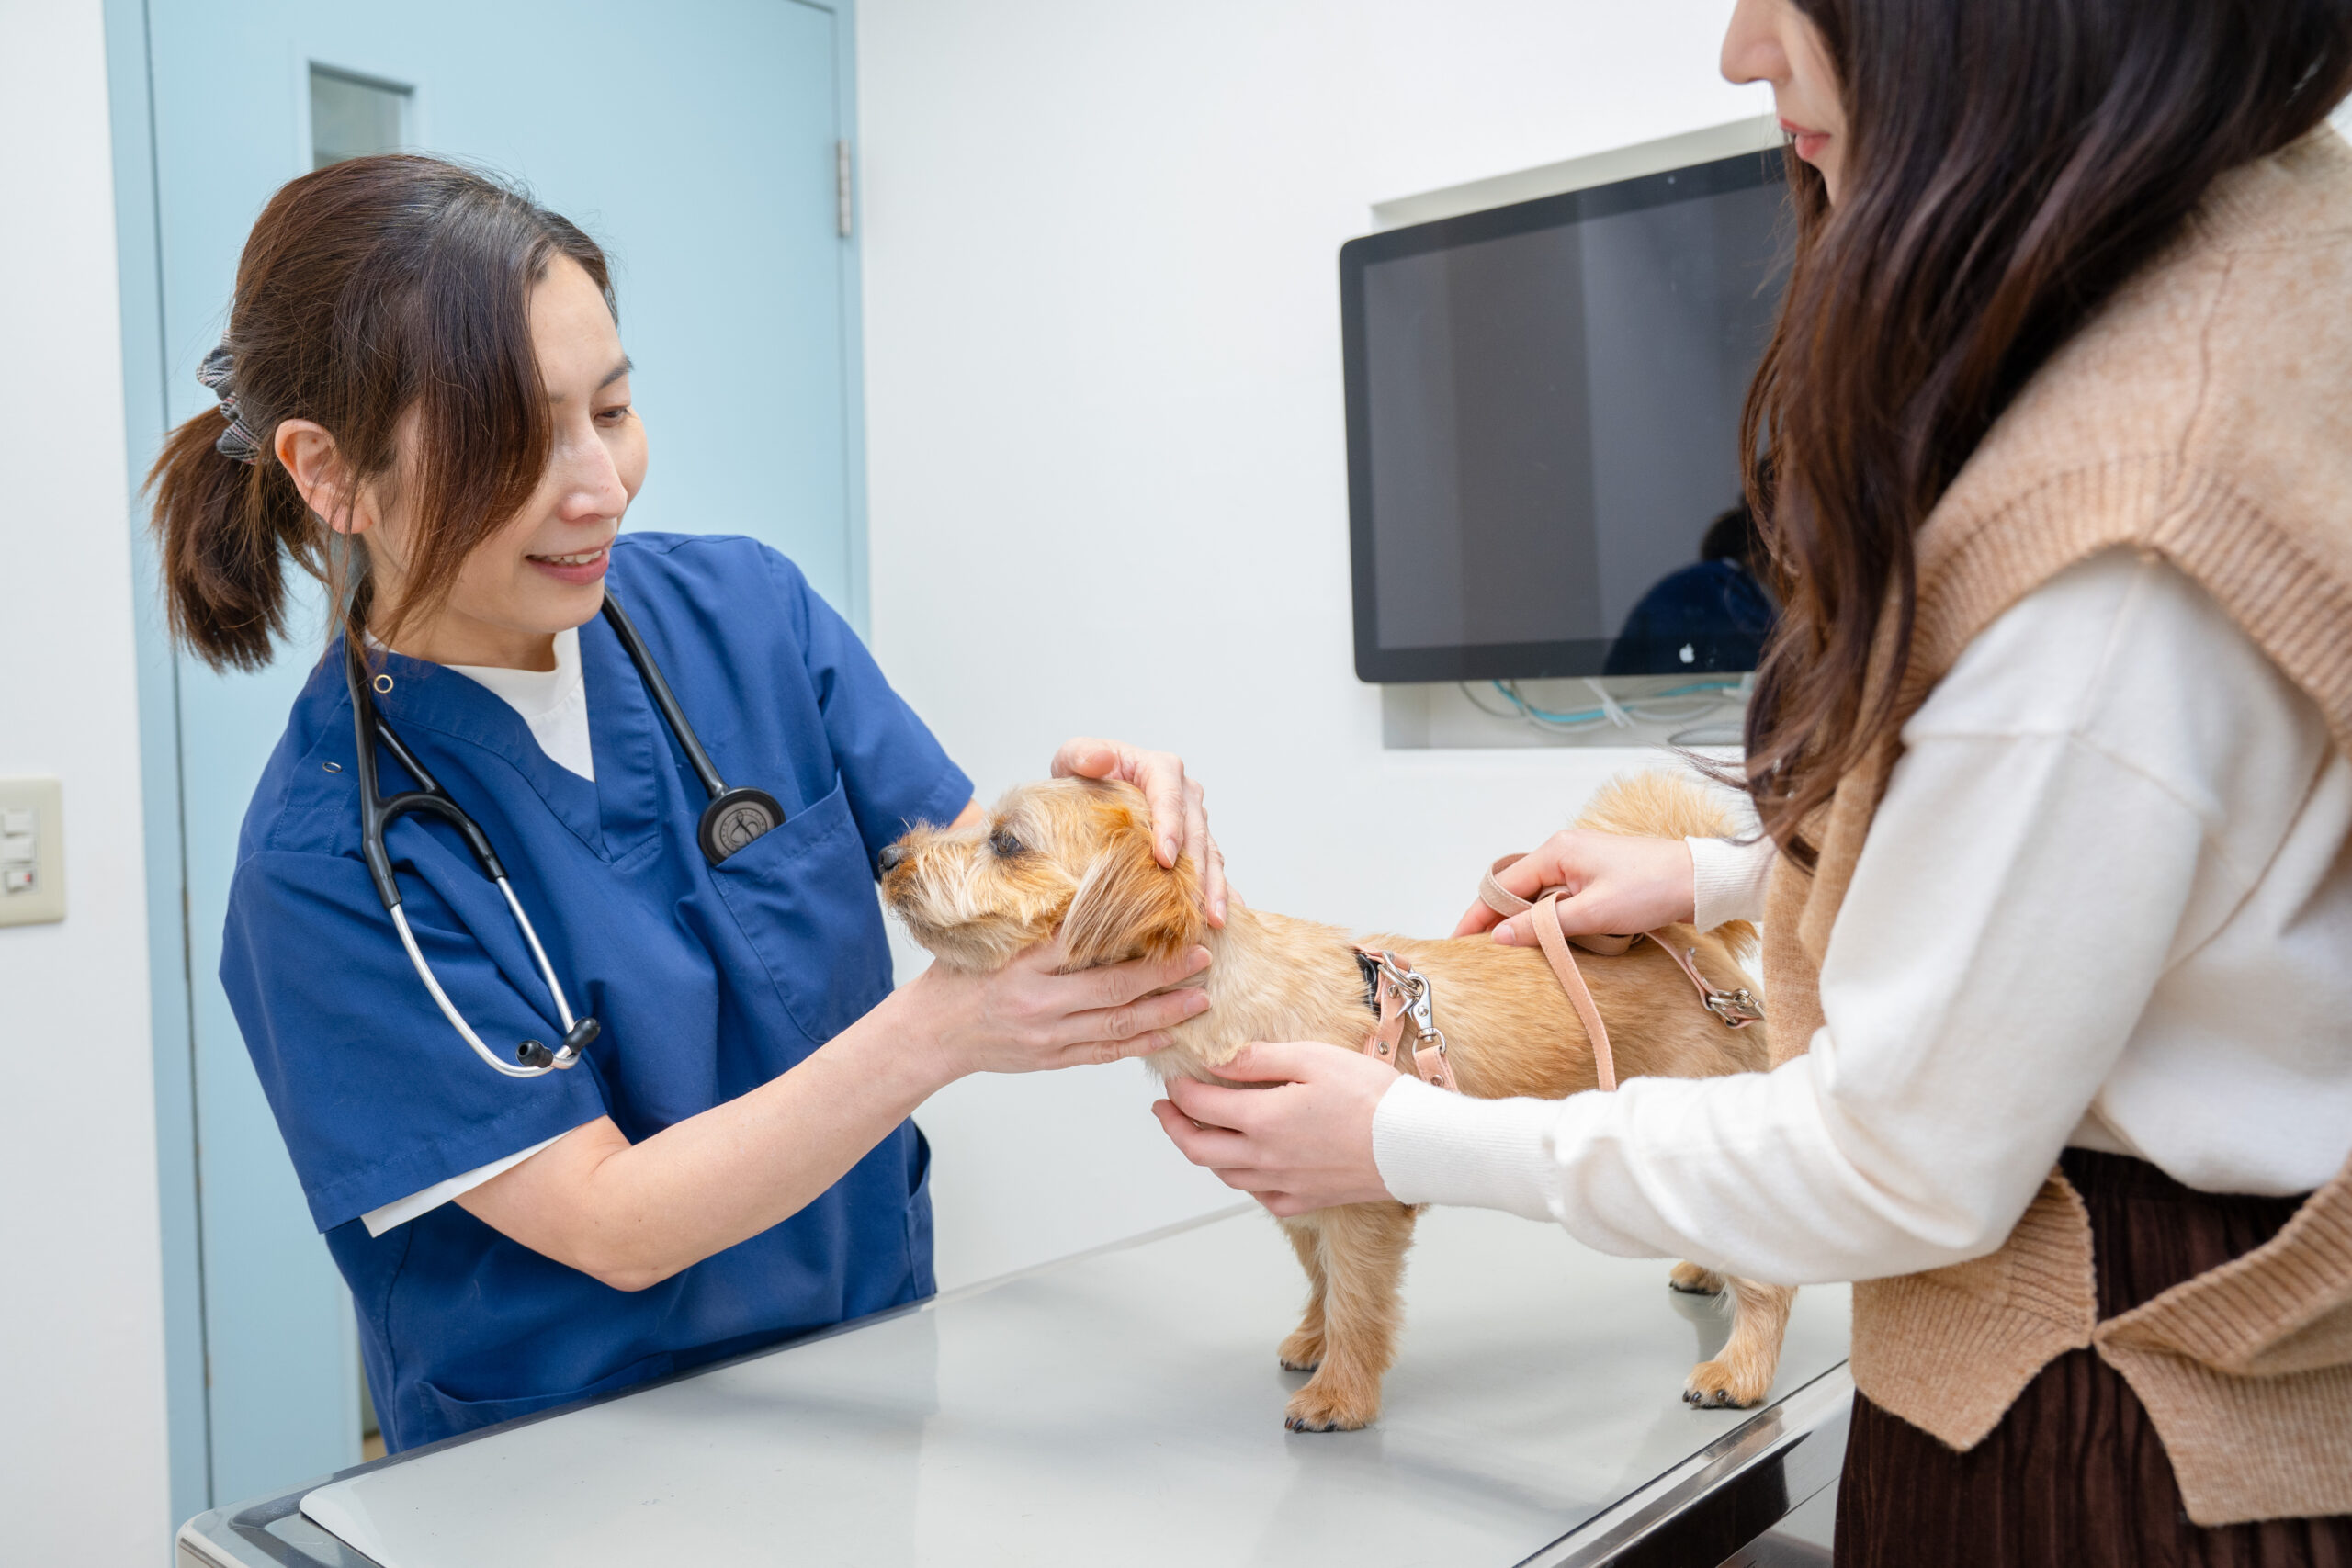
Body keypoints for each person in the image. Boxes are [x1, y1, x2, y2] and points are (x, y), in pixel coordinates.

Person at [1154, 1, 2352, 1562]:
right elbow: (2113, 865)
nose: (1738, 48)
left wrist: (1404, 1139)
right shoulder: (2280, 254)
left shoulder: (2121, 533)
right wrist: (1715, 876)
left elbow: (1896, 1160)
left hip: (2103, 1426)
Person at [148, 154, 1228, 1453]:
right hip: (571, 1468)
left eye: (611, 410)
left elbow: (984, 886)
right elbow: (606, 1221)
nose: (599, 483)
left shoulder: (745, 615)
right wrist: (941, 1035)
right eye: (514, 442)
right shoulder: (327, 865)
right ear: (330, 474)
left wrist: (1108, 834)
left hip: (872, 1381)